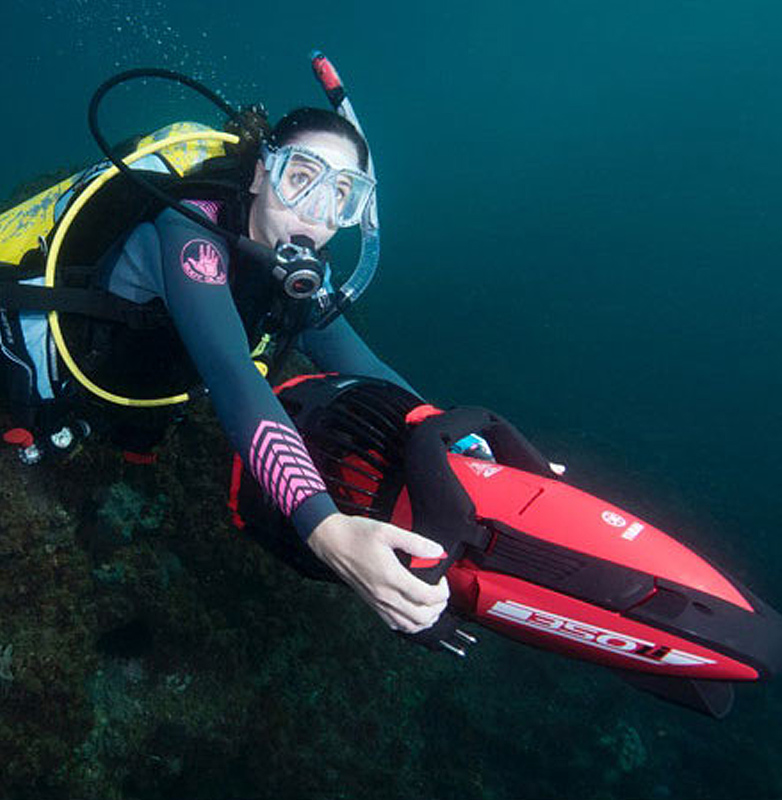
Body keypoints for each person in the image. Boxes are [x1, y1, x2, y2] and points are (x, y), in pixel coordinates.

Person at [0, 103, 449, 636]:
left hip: (120, 373)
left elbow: (359, 365)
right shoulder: (189, 229)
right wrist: (325, 527)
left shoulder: (294, 267)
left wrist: (456, 440)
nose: (313, 212)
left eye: (340, 196)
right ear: (262, 173)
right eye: (301, 179)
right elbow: (233, 373)